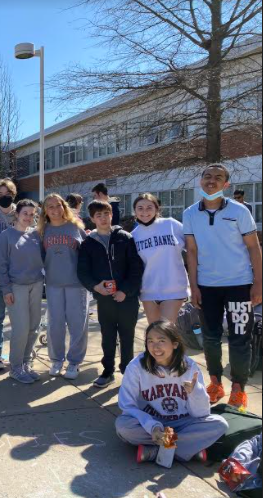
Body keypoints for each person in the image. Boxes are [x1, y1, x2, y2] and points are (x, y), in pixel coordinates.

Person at [183, 164, 262, 410]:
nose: (211, 181)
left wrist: (258, 283)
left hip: (239, 285)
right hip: (207, 288)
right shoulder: (189, 213)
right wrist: (193, 286)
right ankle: (215, 382)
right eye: (207, 176)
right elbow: (192, 251)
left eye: (218, 178)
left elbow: (253, 247)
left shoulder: (239, 211)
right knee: (210, 337)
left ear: (225, 184)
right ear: (200, 181)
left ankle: (238, 388)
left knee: (240, 338)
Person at [116, 320, 228, 464]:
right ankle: (189, 448)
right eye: (150, 341)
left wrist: (196, 392)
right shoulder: (136, 366)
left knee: (219, 424)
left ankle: (155, 452)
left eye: (161, 340)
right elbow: (127, 405)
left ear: (175, 344)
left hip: (183, 422)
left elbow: (202, 414)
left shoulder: (189, 367)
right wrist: (153, 427)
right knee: (124, 427)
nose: (155, 346)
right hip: (153, 423)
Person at [78, 200, 144, 388]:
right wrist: (95, 287)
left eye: (106, 214)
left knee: (127, 336)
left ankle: (127, 371)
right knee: (107, 336)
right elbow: (83, 271)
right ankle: (108, 371)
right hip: (104, 299)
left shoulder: (125, 237)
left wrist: (125, 290)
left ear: (111, 215)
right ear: (92, 219)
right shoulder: (88, 243)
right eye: (98, 215)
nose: (103, 218)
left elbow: (136, 268)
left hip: (127, 299)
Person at [38, 193, 89, 380]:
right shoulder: (43, 231)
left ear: (64, 207)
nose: (54, 209)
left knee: (77, 324)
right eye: (49, 206)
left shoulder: (76, 227)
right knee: (55, 324)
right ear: (45, 211)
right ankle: (56, 359)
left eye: (57, 205)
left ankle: (74, 362)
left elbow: (87, 254)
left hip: (77, 283)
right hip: (53, 284)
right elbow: (39, 257)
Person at [0, 199, 44, 384]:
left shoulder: (36, 235)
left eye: (32, 214)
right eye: (25, 213)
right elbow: (0, 265)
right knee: (21, 329)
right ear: (17, 214)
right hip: (16, 287)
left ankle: (25, 363)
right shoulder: (5, 236)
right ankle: (15, 367)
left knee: (33, 328)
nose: (29, 217)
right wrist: (6, 289)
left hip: (36, 285)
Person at [131, 193, 189, 324]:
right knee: (155, 331)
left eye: (149, 207)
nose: (145, 212)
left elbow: (193, 249)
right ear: (134, 211)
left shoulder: (171, 225)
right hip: (148, 290)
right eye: (140, 208)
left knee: (166, 329)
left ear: (157, 209)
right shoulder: (133, 235)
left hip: (174, 289)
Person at [0, 178, 18, 370]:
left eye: (8, 194)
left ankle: (20, 354)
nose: (4, 198)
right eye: (0, 195)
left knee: (20, 318)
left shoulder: (22, 212)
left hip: (20, 271)